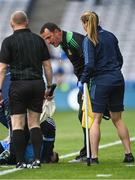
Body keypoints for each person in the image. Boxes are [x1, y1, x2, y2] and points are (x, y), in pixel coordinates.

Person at [0, 11, 53, 168]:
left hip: (17, 85)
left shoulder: (8, 42)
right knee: (34, 123)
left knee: (17, 124)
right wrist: (49, 86)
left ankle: (20, 161)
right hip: (37, 84)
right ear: (27, 21)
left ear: (12, 23)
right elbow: (48, 66)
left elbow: (2, 69)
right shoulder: (38, 40)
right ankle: (37, 160)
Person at [80, 11, 134, 164]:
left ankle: (94, 157)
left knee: (95, 120)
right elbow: (120, 59)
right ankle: (128, 154)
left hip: (101, 81)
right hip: (118, 79)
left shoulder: (88, 39)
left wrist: (83, 79)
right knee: (117, 119)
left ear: (85, 23)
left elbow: (89, 65)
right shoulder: (110, 36)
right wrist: (113, 71)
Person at [40, 22, 89, 162]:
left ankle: (89, 153)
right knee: (84, 117)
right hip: (84, 81)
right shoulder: (62, 43)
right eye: (46, 39)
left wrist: (85, 80)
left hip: (90, 83)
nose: (49, 42)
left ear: (57, 32)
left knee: (87, 117)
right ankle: (87, 152)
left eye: (49, 37)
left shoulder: (74, 40)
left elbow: (90, 62)